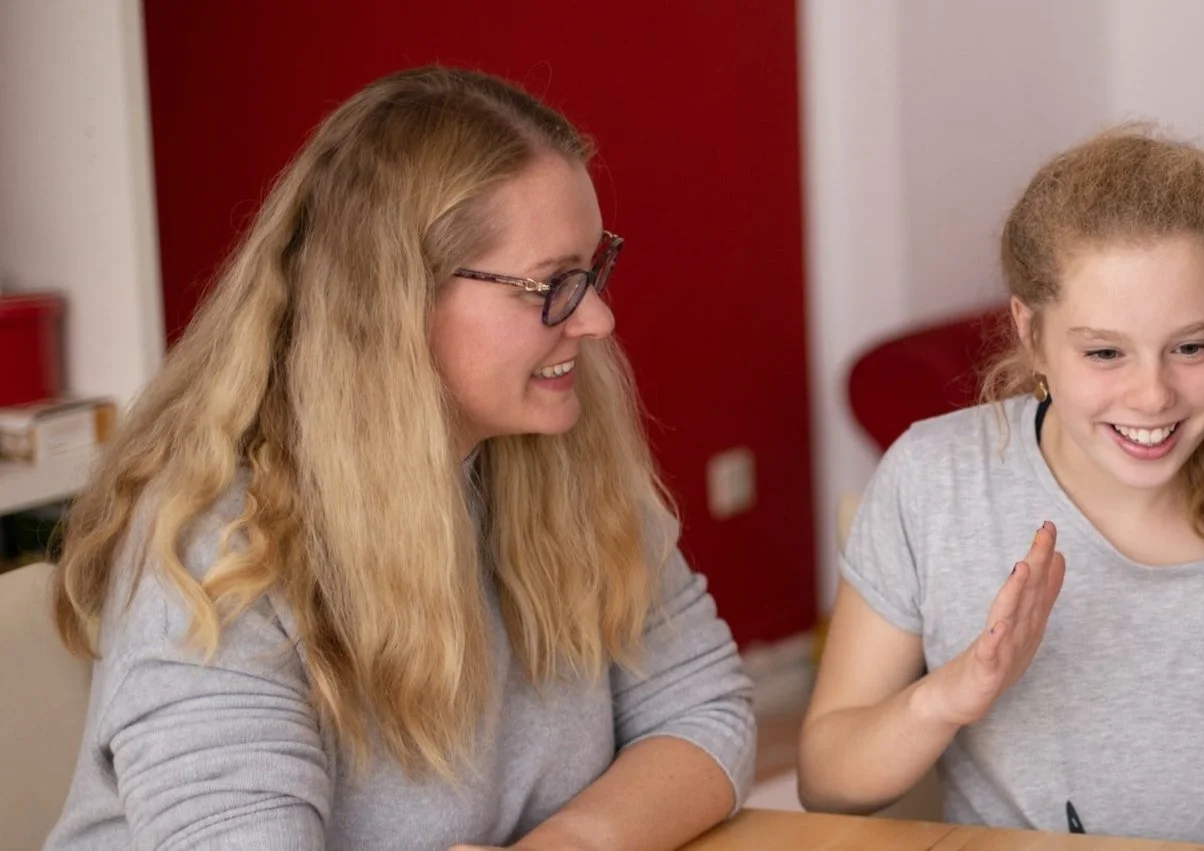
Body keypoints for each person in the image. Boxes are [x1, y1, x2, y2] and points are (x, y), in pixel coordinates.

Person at [45, 65, 755, 851]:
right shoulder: (216, 545)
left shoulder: (562, 458)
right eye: (551, 284)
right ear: (396, 301)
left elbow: (706, 710)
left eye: (592, 270)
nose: (596, 317)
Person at [797, 126, 1204, 850]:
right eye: (1104, 352)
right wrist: (953, 692)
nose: (1151, 395)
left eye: (1190, 346)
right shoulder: (935, 479)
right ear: (1032, 332)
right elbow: (824, 776)